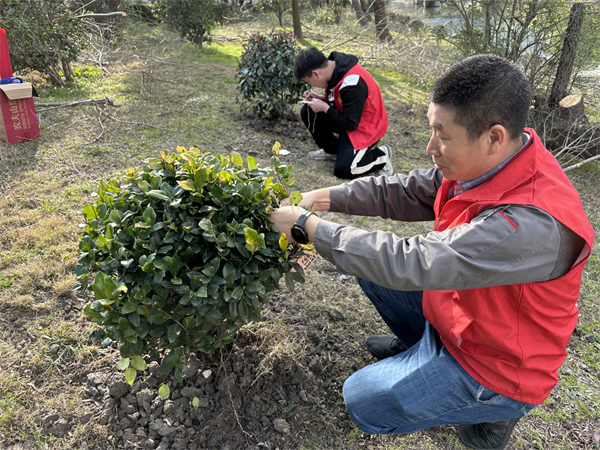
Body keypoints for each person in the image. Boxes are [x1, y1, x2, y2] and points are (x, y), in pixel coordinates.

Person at [271, 54, 595, 450]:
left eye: (442, 135)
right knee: (368, 267)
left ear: (493, 137)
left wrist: (306, 228)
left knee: (362, 402)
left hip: (497, 365)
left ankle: (495, 411)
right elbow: (406, 190)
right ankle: (421, 346)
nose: (430, 147)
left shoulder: (530, 224)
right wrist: (319, 199)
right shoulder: (493, 163)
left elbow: (413, 261)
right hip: (466, 312)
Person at [294, 47, 393, 179]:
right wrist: (321, 99)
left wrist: (324, 107)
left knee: (345, 170)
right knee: (309, 111)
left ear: (316, 74)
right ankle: (333, 152)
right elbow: (342, 101)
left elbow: (351, 123)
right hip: (350, 118)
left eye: (308, 82)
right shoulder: (334, 68)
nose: (310, 85)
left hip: (366, 126)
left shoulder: (352, 83)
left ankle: (382, 155)